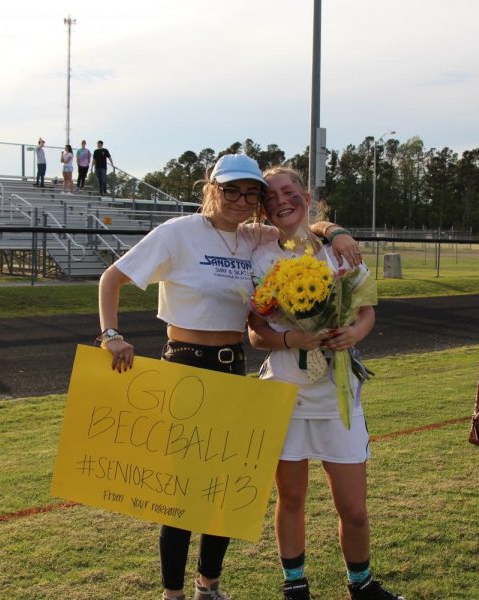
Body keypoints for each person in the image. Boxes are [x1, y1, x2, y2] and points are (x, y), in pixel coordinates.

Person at [97, 154, 360, 600]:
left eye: (250, 192)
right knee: (182, 493)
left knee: (223, 488)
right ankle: (173, 593)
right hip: (184, 364)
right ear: (211, 188)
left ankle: (209, 587)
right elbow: (111, 278)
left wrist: (336, 231)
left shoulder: (251, 236)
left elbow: (301, 225)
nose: (241, 199)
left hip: (230, 366)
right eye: (231, 189)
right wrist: (111, 334)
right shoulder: (178, 233)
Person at [246, 167, 401, 600]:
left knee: (352, 507)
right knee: (290, 500)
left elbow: (367, 310)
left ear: (306, 195)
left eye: (289, 191)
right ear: (262, 208)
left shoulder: (339, 251)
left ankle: (362, 585)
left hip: (337, 395)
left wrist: (355, 333)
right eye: (270, 196)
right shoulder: (260, 257)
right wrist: (292, 338)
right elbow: (257, 333)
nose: (281, 200)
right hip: (284, 392)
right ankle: (295, 588)